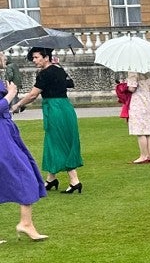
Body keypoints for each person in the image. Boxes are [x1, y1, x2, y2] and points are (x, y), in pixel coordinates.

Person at [10, 48, 83, 194]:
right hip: (65, 107)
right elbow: (70, 83)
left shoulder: (45, 73)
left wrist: (17, 105)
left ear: (46, 57)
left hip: (55, 109)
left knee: (58, 142)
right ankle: (51, 179)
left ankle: (74, 180)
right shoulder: (58, 69)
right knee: (56, 141)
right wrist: (59, 68)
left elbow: (32, 95)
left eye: (36, 57)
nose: (34, 60)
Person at [0, 78, 49, 242]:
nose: (4, 57)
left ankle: (26, 222)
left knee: (24, 171)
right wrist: (10, 95)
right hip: (2, 135)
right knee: (24, 172)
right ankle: (25, 223)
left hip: (6, 131)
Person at [124, 72, 150, 164]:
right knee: (147, 131)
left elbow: (132, 88)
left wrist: (126, 84)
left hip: (138, 102)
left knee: (140, 131)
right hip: (147, 101)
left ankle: (143, 155)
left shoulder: (133, 72)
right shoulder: (148, 73)